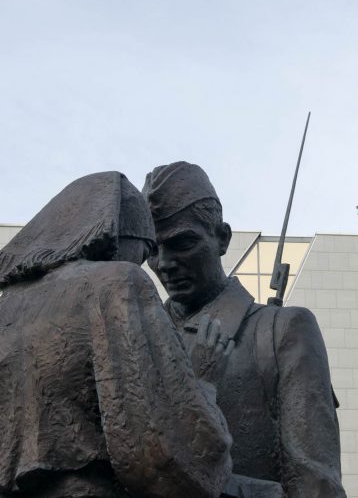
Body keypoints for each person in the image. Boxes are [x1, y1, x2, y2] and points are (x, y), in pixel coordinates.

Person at [0, 172, 232, 498]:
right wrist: (204, 382)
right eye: (145, 251)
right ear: (115, 238)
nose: (148, 265)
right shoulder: (116, 282)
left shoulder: (7, 307)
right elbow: (164, 453)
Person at [143, 162, 346, 498]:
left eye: (183, 243)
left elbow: (316, 483)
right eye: (153, 249)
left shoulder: (281, 331)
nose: (164, 263)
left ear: (222, 238)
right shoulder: (140, 338)